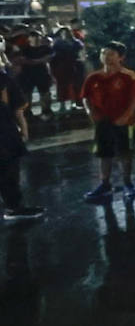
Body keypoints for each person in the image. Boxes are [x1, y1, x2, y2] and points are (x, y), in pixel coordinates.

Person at [80, 42, 135, 204]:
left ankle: (128, 184)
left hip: (124, 121)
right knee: (104, 153)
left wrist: (127, 115)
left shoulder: (129, 76)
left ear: (121, 57)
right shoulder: (93, 77)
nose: (106, 57)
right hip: (102, 121)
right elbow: (85, 97)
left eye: (111, 54)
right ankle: (105, 184)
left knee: (125, 152)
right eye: (104, 53)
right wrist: (90, 112)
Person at [0, 48, 42, 221]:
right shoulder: (3, 78)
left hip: (5, 128)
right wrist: (23, 129)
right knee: (8, 168)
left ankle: (13, 205)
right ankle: (13, 207)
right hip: (4, 130)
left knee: (8, 168)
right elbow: (16, 107)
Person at [50, 25, 86, 114]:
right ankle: (63, 106)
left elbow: (82, 54)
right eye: (62, 32)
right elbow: (53, 56)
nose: (65, 34)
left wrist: (80, 61)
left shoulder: (76, 43)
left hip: (74, 67)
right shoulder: (58, 44)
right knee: (62, 87)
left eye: (66, 32)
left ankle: (75, 104)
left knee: (75, 86)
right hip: (62, 67)